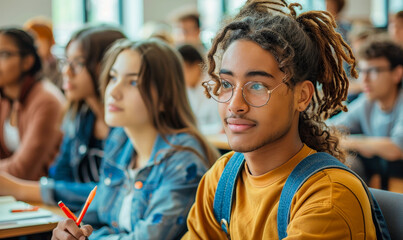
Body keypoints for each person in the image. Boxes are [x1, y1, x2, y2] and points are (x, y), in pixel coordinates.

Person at [182, 1, 379, 239]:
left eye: (257, 86)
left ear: (302, 96)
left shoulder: (328, 197)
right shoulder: (222, 178)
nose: (235, 105)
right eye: (226, 84)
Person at [51, 38, 219, 239]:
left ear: (164, 98)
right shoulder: (120, 142)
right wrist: (70, 232)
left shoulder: (184, 161)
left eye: (132, 82)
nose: (113, 91)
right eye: (113, 78)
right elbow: (94, 215)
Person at [0, 26, 126, 211]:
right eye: (66, 62)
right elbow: (59, 174)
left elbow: (112, 193)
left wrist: (20, 189)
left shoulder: (127, 126)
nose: (66, 71)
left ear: (106, 67)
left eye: (78, 63)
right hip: (72, 219)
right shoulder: (80, 117)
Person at [328, 37, 403, 190]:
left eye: (374, 71)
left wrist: (351, 141)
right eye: (362, 71)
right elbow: (329, 128)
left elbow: (397, 148)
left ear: (397, 74)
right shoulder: (367, 102)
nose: (365, 79)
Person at [0, 27, 64, 180]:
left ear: (27, 61)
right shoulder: (5, 97)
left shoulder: (46, 101)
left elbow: (21, 171)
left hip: (42, 197)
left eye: (3, 54)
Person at [177, 44, 221, 135]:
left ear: (196, 67)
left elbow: (221, 127)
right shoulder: (186, 91)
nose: (178, 76)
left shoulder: (214, 88)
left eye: (181, 70)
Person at [24, 17, 63, 89]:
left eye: (40, 42)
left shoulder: (59, 65)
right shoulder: (27, 65)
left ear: (50, 42)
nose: (36, 47)